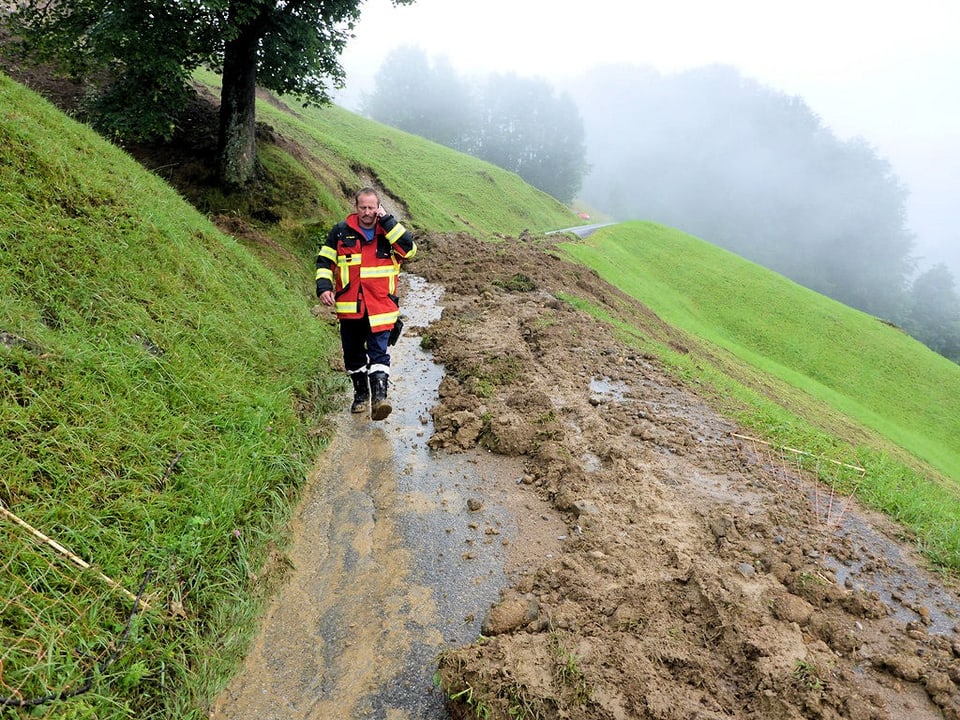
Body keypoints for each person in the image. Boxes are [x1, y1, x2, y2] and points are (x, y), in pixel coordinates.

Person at [316, 187, 417, 420]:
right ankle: (361, 396)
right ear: (356, 207)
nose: (368, 212)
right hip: (350, 310)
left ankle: (380, 399)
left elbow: (409, 250)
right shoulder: (341, 232)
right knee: (353, 356)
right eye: (363, 207)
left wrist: (388, 220)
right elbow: (324, 262)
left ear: (379, 207)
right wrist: (324, 287)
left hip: (381, 310)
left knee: (379, 354)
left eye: (372, 207)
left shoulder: (389, 232)